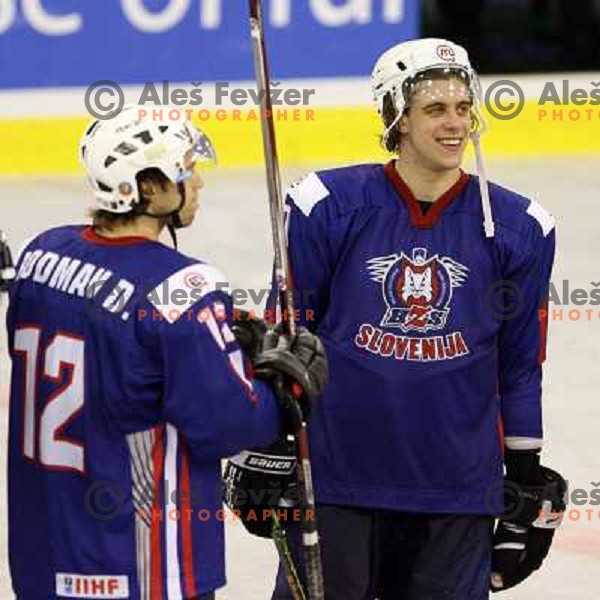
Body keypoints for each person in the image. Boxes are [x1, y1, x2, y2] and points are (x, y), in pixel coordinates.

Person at [226, 38, 566, 599]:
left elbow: (521, 367)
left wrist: (525, 478)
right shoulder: (324, 208)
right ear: (397, 117)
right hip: (338, 481)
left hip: (456, 494)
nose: (455, 123)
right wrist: (268, 443)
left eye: (463, 107)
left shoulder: (520, 228)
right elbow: (284, 343)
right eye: (435, 109)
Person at [4, 107, 327, 600]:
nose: (196, 182)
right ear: (147, 188)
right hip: (142, 564)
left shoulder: (41, 255)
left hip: (44, 556)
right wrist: (284, 397)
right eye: (185, 170)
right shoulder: (182, 288)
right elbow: (226, 423)